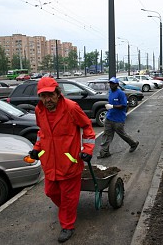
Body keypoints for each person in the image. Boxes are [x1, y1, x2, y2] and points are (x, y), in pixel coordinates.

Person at [29, 77, 95, 243]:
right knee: (50, 192)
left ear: (58, 93)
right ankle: (68, 211)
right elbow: (41, 132)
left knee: (68, 197)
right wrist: (37, 148)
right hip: (50, 162)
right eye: (43, 96)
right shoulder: (39, 111)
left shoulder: (71, 108)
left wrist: (87, 150)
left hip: (69, 162)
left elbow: (87, 127)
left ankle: (67, 225)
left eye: (50, 95)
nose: (47, 100)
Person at [97, 77, 139, 158]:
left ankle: (133, 144)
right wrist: (109, 107)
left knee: (122, 134)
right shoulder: (110, 92)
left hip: (118, 119)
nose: (111, 85)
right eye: (110, 83)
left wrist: (112, 106)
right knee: (106, 135)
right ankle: (104, 152)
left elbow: (124, 105)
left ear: (117, 84)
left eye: (113, 83)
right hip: (109, 118)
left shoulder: (120, 93)